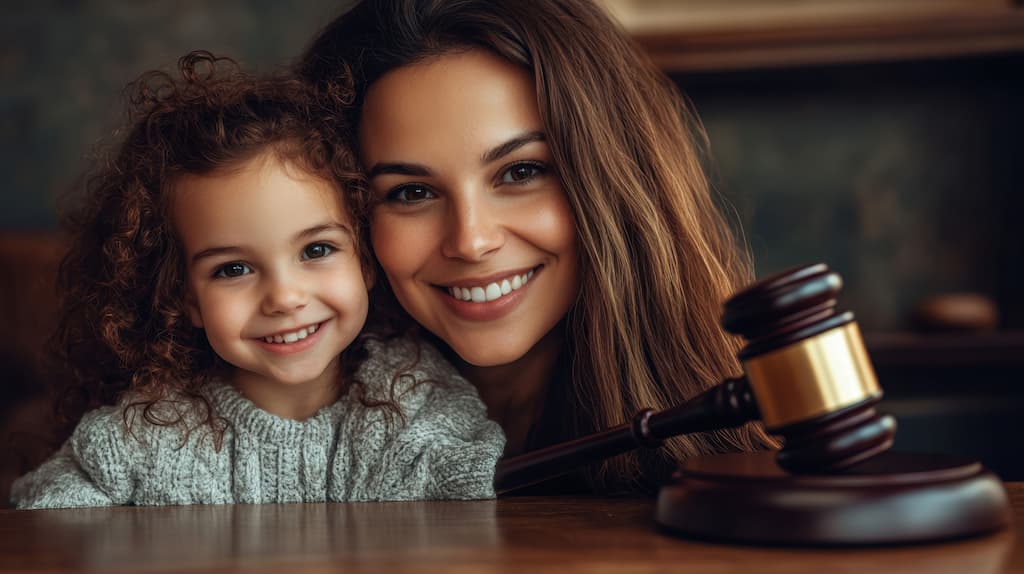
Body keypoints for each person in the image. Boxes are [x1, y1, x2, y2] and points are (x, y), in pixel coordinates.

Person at [297, 0, 776, 494]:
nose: (471, 241)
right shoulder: (291, 448)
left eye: (521, 172)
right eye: (411, 192)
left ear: (611, 181)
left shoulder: (755, 432)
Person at [10, 51, 504, 509]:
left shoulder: (414, 396)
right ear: (185, 297)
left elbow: (473, 488)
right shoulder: (144, 433)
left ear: (365, 261)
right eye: (233, 269)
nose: (285, 298)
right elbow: (51, 518)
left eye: (316, 250)